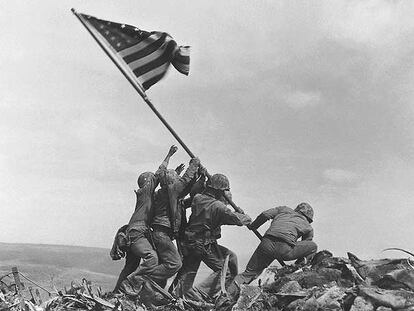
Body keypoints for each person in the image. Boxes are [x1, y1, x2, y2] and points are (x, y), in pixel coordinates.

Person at [171, 174, 251, 300]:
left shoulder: (197, 198)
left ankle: (179, 294)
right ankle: (200, 294)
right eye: (224, 191)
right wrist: (245, 216)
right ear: (219, 190)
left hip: (191, 242)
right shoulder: (218, 207)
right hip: (203, 244)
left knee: (190, 273)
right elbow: (238, 220)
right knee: (226, 271)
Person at [115, 145, 178, 294]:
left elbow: (161, 178)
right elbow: (159, 173)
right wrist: (169, 156)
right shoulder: (145, 192)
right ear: (147, 182)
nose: (154, 181)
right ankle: (131, 283)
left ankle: (117, 293)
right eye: (152, 179)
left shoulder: (147, 195)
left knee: (130, 266)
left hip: (134, 233)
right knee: (152, 258)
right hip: (137, 232)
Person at [226, 202, 317, 300]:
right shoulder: (308, 227)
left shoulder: (283, 209)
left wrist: (254, 226)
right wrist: (298, 263)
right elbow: (305, 246)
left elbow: (265, 215)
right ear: (308, 218)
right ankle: (298, 269)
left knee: (248, 274)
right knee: (313, 246)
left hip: (266, 244)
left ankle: (226, 297)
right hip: (285, 249)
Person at [146, 156, 202, 288]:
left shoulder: (164, 193)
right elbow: (185, 181)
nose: (178, 179)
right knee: (175, 264)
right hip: (162, 234)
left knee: (164, 264)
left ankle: (151, 291)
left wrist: (199, 177)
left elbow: (186, 188)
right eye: (176, 178)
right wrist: (194, 164)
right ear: (172, 181)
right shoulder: (171, 190)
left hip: (160, 234)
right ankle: (141, 277)